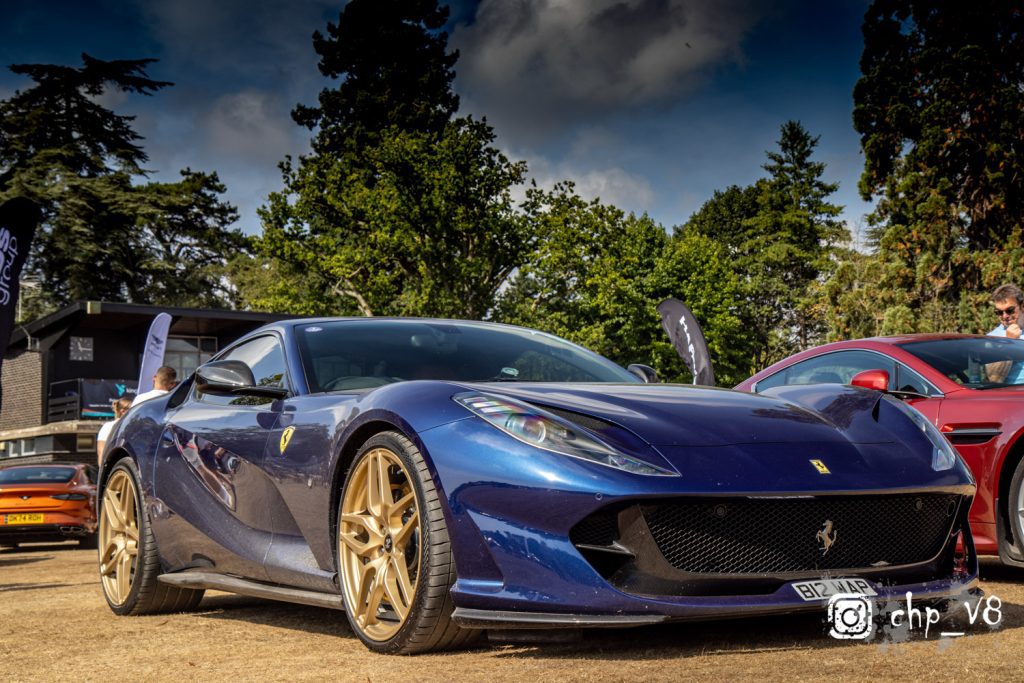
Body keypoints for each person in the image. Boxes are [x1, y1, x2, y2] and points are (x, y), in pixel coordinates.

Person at [985, 283, 1024, 383]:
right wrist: (1009, 343)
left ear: (1022, 306)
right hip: (1014, 391)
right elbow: (994, 379)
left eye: (1009, 310)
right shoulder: (992, 338)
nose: (1004, 316)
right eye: (999, 312)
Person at [97, 397, 132, 464]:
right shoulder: (108, 426)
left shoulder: (134, 426)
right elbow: (101, 453)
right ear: (123, 411)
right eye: (132, 410)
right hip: (115, 467)